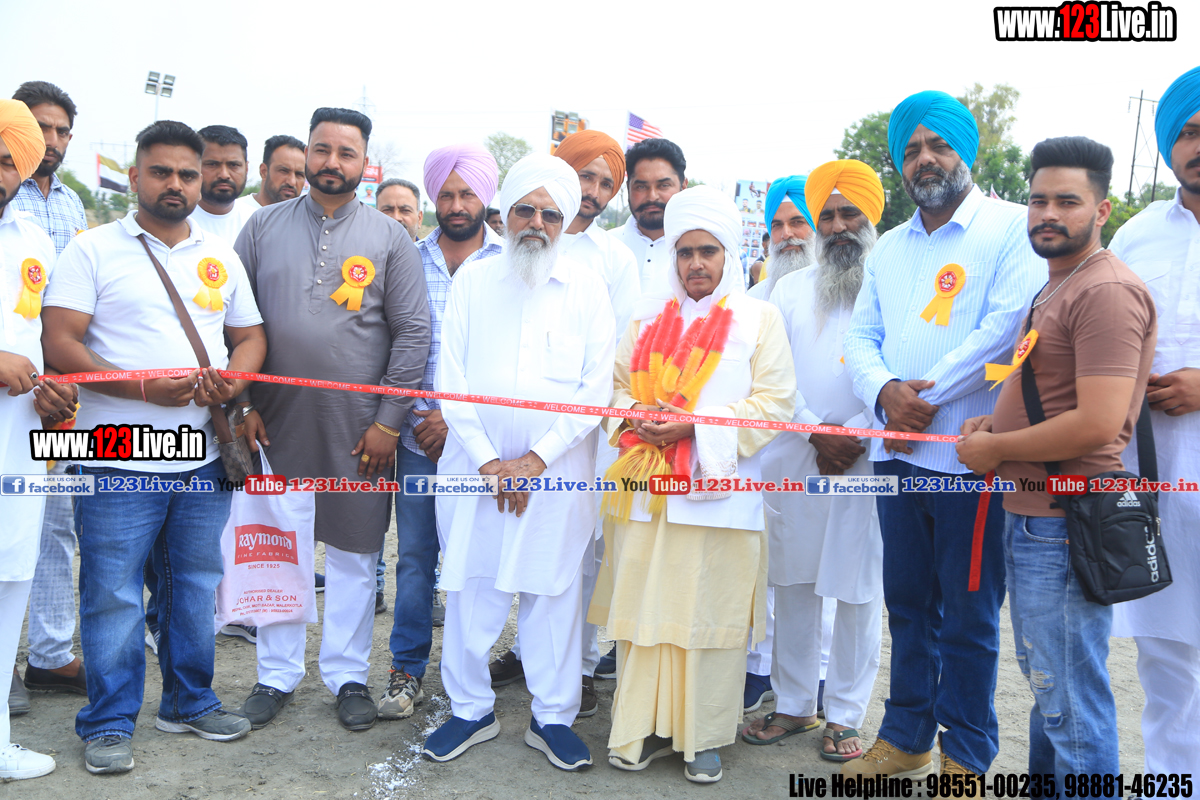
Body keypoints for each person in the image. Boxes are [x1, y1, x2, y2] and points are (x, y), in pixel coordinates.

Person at [41, 119, 266, 774]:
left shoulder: (219, 254)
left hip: (202, 453)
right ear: (135, 176)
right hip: (116, 450)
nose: (176, 184)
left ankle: (189, 702)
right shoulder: (92, 250)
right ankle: (108, 722)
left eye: (188, 174)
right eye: (162, 172)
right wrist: (141, 388)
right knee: (112, 591)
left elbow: (249, 336)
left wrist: (234, 378)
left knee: (194, 584)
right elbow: (61, 341)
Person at [841, 90, 1043, 778]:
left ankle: (966, 758)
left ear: (967, 152)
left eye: (939, 145)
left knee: (969, 615)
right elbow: (861, 336)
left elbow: (1006, 331)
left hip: (968, 460)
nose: (925, 159)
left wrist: (918, 402)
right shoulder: (890, 248)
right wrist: (883, 394)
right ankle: (906, 737)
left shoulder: (1011, 228)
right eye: (911, 150)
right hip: (896, 455)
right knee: (906, 605)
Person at [958, 135, 1155, 781]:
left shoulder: (1105, 290)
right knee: (1050, 690)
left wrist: (996, 448)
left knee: (1068, 700)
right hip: (1037, 516)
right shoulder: (1059, 285)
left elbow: (1099, 424)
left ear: (1102, 210)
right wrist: (999, 419)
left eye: (1067, 201)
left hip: (1065, 520)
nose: (1048, 213)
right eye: (1038, 200)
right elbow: (1056, 390)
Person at [233, 107, 430, 733]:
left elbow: (413, 333)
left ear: (364, 163)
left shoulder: (390, 238)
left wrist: (389, 421)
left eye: (346, 153)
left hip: (360, 429)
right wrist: (241, 405)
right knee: (278, 545)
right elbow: (231, 322)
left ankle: (347, 675)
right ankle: (276, 674)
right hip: (272, 422)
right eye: (322, 149)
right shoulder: (261, 226)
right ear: (307, 153)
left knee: (354, 550)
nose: (331, 162)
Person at [596, 186, 796, 783]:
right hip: (647, 491)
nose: (695, 264)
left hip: (719, 498)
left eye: (708, 251)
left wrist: (694, 426)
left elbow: (775, 403)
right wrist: (638, 418)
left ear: (728, 255)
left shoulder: (759, 318)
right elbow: (615, 392)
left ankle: (701, 737)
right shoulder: (645, 318)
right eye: (685, 252)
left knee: (710, 614)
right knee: (646, 609)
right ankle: (641, 729)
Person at [423, 153, 614, 771]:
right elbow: (451, 382)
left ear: (565, 222)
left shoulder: (587, 288)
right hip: (473, 471)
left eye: (550, 214)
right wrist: (489, 463)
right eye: (525, 210)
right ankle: (469, 709)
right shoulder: (473, 282)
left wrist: (534, 460)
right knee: (470, 585)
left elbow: (594, 390)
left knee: (552, 590)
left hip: (556, 475)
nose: (536, 223)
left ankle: (552, 717)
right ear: (504, 215)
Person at [489, 131, 639, 714]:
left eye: (606, 183)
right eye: (586, 177)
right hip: (506, 436)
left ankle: (577, 665)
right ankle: (526, 652)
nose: (594, 191)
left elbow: (615, 351)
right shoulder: (509, 243)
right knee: (511, 544)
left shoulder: (613, 258)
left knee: (579, 551)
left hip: (583, 434)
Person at [742, 159, 885, 763]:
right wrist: (816, 430)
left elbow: (901, 366)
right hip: (796, 455)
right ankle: (796, 704)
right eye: (826, 216)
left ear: (871, 217)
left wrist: (856, 433)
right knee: (794, 582)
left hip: (868, 458)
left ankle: (846, 715)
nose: (836, 226)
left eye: (849, 213)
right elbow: (773, 375)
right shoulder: (788, 289)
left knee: (858, 590)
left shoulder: (890, 280)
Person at [375, 143, 501, 723]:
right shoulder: (404, 258)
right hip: (415, 437)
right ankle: (407, 669)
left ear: (485, 196)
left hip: (484, 442)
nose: (456, 205)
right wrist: (414, 418)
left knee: (479, 559)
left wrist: (455, 418)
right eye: (446, 194)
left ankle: (471, 674)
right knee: (416, 556)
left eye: (466, 194)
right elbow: (388, 341)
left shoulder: (508, 262)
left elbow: (507, 354)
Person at [1109, 65, 1200, 776]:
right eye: (1189, 132)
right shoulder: (1135, 238)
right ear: (1170, 145)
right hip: (1157, 481)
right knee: (1167, 658)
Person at [0, 97, 74, 781]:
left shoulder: (33, 238)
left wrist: (56, 398)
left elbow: (42, 341)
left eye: (6, 160)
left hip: (19, 445)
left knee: (11, 580)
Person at [9, 81, 89, 705]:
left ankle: (50, 655)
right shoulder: (9, 200)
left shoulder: (69, 204)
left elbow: (71, 306)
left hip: (55, 390)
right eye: (40, 129)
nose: (53, 141)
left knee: (53, 519)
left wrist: (64, 380)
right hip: (10, 382)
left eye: (62, 131)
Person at [617, 138, 687, 294]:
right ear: (628, 188)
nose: (652, 196)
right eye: (641, 186)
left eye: (663, 185)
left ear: (683, 186)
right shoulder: (605, 247)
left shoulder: (705, 252)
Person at [747, 174, 815, 301]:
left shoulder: (840, 298)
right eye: (777, 225)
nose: (786, 234)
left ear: (815, 226)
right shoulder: (754, 298)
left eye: (797, 222)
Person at [188, 125, 256, 243]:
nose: (224, 175)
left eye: (233, 165)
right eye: (212, 164)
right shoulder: (175, 222)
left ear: (246, 168)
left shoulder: (258, 222)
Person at [243, 134, 306, 208]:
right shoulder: (236, 212)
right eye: (284, 171)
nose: (292, 182)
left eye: (299, 175)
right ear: (263, 171)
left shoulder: (306, 215)